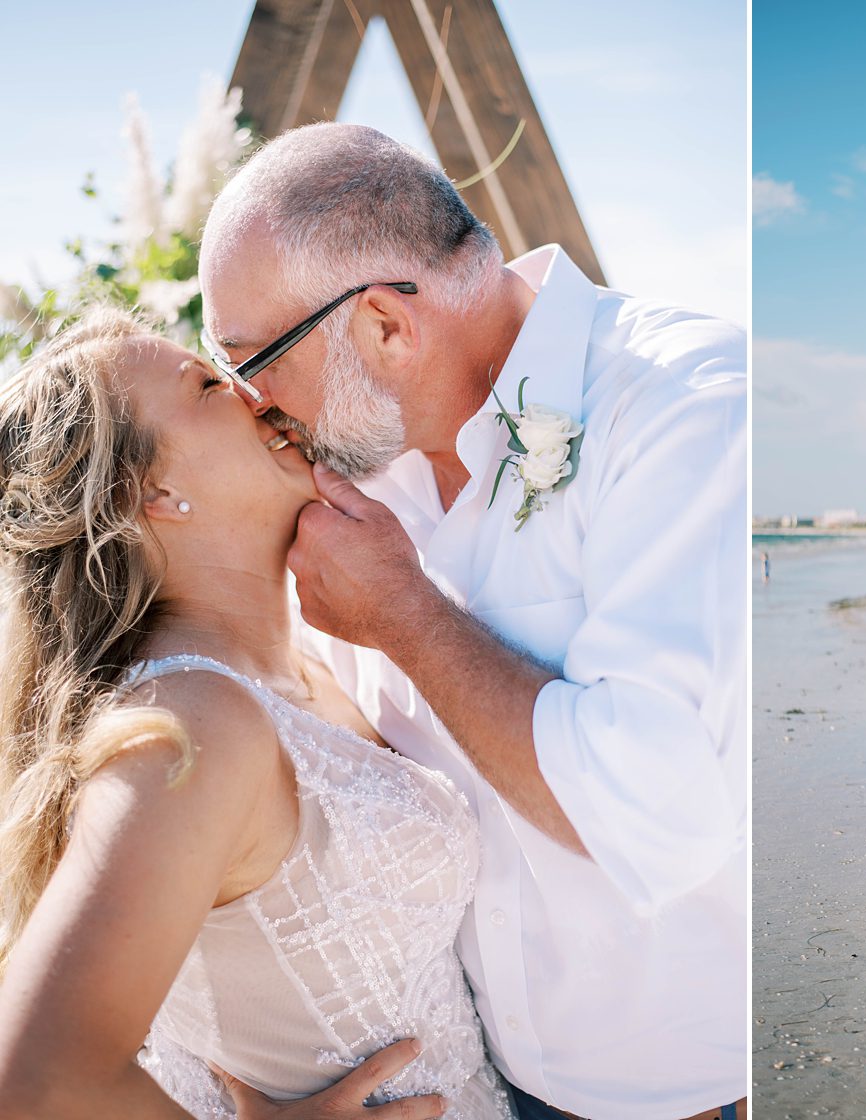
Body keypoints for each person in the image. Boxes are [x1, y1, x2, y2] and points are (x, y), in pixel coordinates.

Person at [197, 123, 746, 1120]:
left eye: (254, 360)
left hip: (699, 1093)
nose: (253, 405)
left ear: (382, 327)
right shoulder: (347, 474)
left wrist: (406, 616)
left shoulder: (689, 407)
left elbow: (654, 816)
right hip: (475, 1087)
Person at [0, 311, 505, 1117]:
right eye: (208, 385)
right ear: (153, 492)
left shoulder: (307, 662)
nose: (257, 393)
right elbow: (34, 1079)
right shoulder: (191, 722)